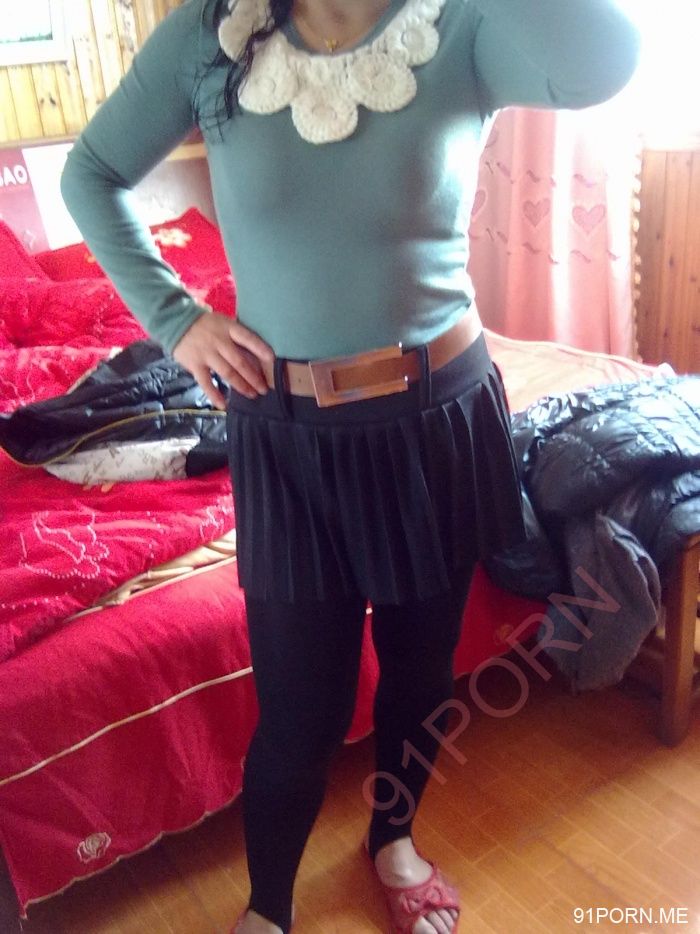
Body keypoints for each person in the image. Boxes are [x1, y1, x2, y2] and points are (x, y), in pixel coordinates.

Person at [60, 1, 639, 931]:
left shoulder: (462, 25)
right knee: (300, 708)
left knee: (421, 673)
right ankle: (269, 906)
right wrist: (176, 319)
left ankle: (393, 839)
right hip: (284, 436)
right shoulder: (212, 36)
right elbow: (89, 172)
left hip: (436, 421)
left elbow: (606, 60)